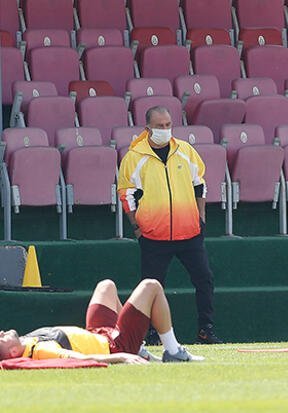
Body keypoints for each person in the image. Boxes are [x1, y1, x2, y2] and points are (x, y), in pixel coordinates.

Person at [117, 106, 221, 344]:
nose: (165, 130)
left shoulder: (185, 150)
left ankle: (206, 329)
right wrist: (137, 228)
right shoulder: (134, 157)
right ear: (147, 128)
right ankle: (152, 333)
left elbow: (199, 185)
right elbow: (126, 195)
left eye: (167, 125)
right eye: (159, 126)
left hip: (190, 232)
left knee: (204, 279)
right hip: (154, 236)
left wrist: (201, 217)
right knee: (152, 287)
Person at [0, 279, 202, 363]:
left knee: (106, 285)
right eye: (1, 339)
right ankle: (173, 352)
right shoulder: (41, 350)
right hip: (114, 346)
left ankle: (140, 349)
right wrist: (121, 356)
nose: (1, 333)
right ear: (13, 352)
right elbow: (80, 359)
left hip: (97, 333)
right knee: (151, 286)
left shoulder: (24, 342)